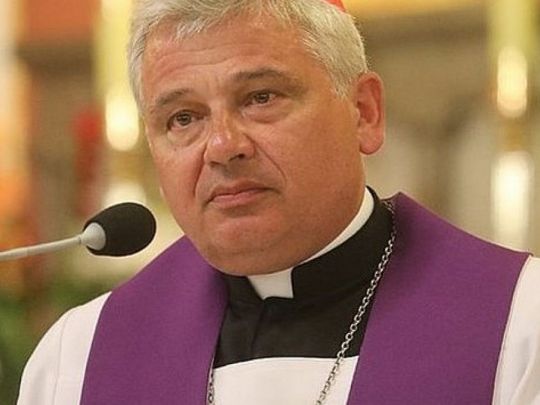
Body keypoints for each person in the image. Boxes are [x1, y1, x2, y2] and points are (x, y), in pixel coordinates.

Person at [17, 0, 540, 404]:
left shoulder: (520, 325)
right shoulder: (78, 358)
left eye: (260, 98)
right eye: (183, 118)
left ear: (363, 112)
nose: (223, 146)